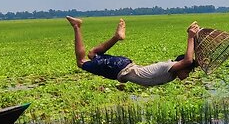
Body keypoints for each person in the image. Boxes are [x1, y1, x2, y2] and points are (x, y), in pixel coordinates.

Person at [66, 16, 199, 88]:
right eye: (187, 71)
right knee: (82, 61)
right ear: (180, 65)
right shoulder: (169, 67)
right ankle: (77, 26)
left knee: (93, 54)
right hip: (118, 68)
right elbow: (187, 60)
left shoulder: (172, 75)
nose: (187, 75)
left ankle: (117, 37)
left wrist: (198, 46)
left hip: (120, 68)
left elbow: (191, 61)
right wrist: (191, 36)